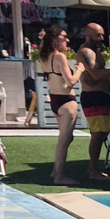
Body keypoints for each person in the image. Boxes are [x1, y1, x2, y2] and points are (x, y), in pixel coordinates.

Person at [40, 25, 81, 185]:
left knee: (67, 138)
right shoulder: (59, 57)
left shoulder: (44, 56)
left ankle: (55, 171)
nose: (67, 40)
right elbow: (70, 81)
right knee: (63, 141)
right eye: (64, 37)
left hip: (55, 101)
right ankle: (59, 176)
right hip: (66, 103)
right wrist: (80, 70)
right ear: (55, 39)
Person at [75, 23, 110, 181]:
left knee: (101, 133)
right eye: (98, 35)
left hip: (100, 97)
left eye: (102, 35)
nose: (101, 38)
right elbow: (96, 74)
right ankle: (93, 169)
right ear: (88, 35)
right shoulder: (85, 52)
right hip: (94, 97)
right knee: (98, 134)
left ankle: (94, 168)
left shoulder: (96, 51)